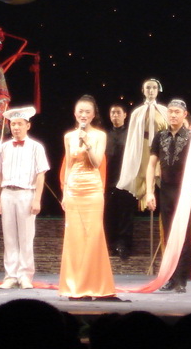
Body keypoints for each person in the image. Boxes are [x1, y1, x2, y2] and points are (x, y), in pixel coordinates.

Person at [58, 95, 115, 298]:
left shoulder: (100, 135)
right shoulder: (68, 137)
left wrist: (87, 143)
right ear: (75, 114)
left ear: (93, 115)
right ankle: (74, 285)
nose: (83, 115)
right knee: (74, 237)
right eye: (80, 111)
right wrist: (65, 192)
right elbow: (69, 166)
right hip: (74, 188)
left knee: (93, 235)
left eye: (87, 112)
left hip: (92, 188)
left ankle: (94, 284)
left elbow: (96, 162)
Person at [0, 105, 48, 289]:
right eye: (13, 124)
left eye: (19, 124)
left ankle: (25, 275)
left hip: (26, 193)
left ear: (27, 126)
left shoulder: (36, 147)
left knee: (26, 237)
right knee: (9, 237)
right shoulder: (3, 148)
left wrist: (37, 199)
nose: (16, 127)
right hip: (7, 193)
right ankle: (10, 275)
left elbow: (41, 174)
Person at [145, 98, 191, 292]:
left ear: (184, 114)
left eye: (177, 112)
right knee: (168, 232)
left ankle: (182, 278)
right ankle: (171, 276)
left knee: (184, 233)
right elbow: (151, 165)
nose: (173, 115)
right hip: (166, 189)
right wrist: (149, 192)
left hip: (185, 190)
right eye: (171, 111)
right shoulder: (160, 136)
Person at [117, 78, 168, 209]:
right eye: (148, 88)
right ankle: (144, 203)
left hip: (160, 146)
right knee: (143, 173)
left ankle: (159, 206)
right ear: (143, 90)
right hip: (143, 146)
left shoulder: (164, 110)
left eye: (154, 88)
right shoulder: (137, 112)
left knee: (159, 173)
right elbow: (132, 135)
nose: (151, 91)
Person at [104, 102, 135, 259]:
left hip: (126, 180)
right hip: (108, 180)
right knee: (109, 214)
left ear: (125, 115)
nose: (115, 115)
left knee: (125, 214)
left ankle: (124, 245)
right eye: (112, 113)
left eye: (118, 112)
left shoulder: (131, 135)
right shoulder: (105, 135)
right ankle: (110, 244)